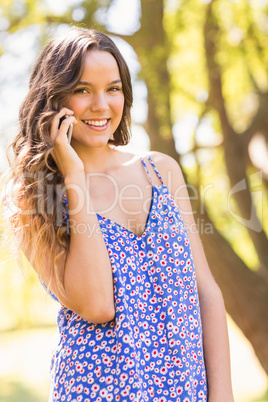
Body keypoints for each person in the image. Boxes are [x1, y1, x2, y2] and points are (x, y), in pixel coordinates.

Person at [2, 26, 234, 402]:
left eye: (113, 88)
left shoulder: (160, 172)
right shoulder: (34, 197)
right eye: (81, 90)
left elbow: (205, 291)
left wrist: (222, 396)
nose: (101, 104)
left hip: (187, 389)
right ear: (54, 98)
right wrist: (75, 176)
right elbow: (98, 305)